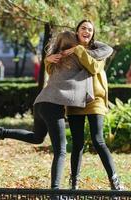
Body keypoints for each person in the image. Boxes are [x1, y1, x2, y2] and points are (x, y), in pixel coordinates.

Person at [0, 30, 109, 190]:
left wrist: (47, 59)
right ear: (74, 45)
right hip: (52, 105)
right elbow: (103, 53)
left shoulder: (55, 60)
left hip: (40, 103)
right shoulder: (77, 59)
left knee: (37, 137)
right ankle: (55, 190)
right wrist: (82, 47)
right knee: (61, 150)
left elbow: (51, 66)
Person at [48, 19, 124, 190]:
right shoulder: (67, 50)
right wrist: (48, 60)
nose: (87, 31)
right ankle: (74, 183)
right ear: (77, 31)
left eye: (90, 29)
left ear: (93, 34)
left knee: (98, 140)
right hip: (75, 100)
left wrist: (79, 50)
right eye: (83, 28)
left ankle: (115, 180)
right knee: (77, 143)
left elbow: (94, 68)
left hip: (95, 99)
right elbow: (54, 71)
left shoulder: (98, 51)